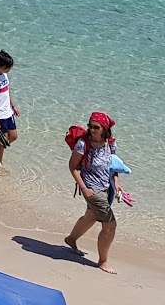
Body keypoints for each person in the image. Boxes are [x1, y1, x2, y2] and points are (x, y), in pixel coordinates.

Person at [65, 112, 122, 273]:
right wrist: (84, 188)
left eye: (96, 127)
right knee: (110, 225)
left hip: (107, 187)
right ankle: (103, 261)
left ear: (104, 129)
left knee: (90, 217)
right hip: (92, 188)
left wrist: (116, 184)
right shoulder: (83, 144)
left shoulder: (110, 144)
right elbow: (73, 167)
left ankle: (71, 239)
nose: (91, 130)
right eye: (90, 126)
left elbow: (113, 166)